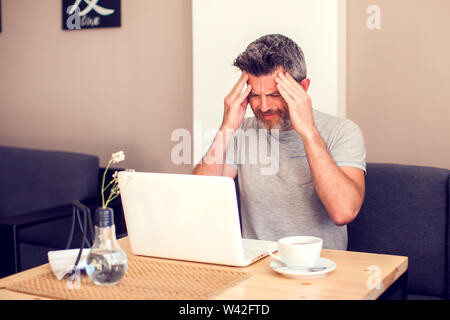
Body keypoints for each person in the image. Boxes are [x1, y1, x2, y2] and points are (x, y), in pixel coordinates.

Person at [193, 34, 366, 250]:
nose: (264, 106)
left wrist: (308, 132)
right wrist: (226, 128)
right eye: (255, 95)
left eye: (275, 94)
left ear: (303, 88)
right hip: (256, 269)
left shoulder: (342, 131)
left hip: (319, 270)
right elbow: (198, 201)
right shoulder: (241, 132)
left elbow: (344, 212)